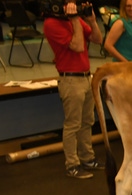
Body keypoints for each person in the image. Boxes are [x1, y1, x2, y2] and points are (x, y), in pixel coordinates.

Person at [43, 0, 105, 179]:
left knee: (87, 122)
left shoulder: (73, 20)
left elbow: (97, 39)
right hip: (70, 79)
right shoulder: (51, 24)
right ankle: (72, 164)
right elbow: (78, 46)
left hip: (86, 77)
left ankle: (87, 158)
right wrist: (76, 20)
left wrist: (92, 21)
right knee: (72, 125)